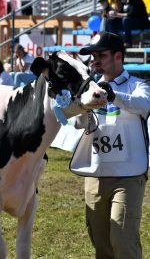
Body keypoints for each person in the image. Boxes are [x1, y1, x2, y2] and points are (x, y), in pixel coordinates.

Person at [70, 32, 150, 259]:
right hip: (95, 173)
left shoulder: (137, 85)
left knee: (123, 241)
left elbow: (144, 105)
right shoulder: (88, 89)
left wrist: (113, 95)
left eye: (101, 55)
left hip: (128, 174)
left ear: (118, 56)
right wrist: (81, 104)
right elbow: (78, 124)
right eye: (92, 56)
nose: (95, 60)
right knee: (101, 245)